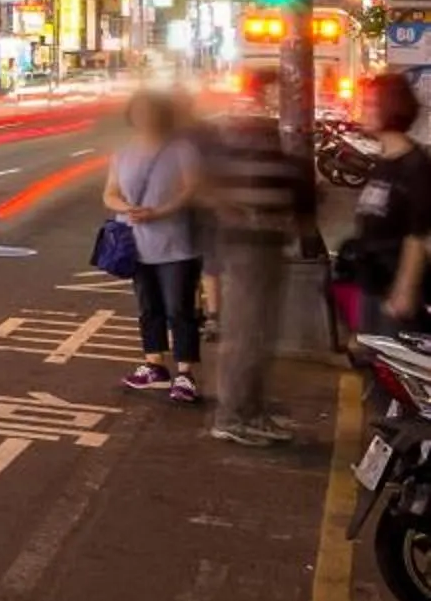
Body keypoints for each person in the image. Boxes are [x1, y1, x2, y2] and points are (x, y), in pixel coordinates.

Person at [198, 74, 320, 445]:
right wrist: (240, 213)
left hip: (266, 246)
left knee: (260, 334)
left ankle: (251, 410)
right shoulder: (239, 138)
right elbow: (205, 184)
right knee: (248, 334)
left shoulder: (267, 139)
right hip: (248, 249)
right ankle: (233, 416)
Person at [105, 88, 206, 403]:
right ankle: (154, 365)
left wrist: (157, 212)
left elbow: (191, 189)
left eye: (150, 111)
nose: (143, 117)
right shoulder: (122, 153)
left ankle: (185, 374)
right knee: (149, 308)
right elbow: (109, 193)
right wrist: (125, 208)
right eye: (138, 111)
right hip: (137, 243)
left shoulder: (182, 150)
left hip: (177, 244)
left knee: (180, 308)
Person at [344, 68, 431, 334]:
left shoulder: (415, 166)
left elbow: (419, 234)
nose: (364, 110)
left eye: (371, 104)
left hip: (396, 294)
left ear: (390, 108)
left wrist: (404, 291)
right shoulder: (384, 161)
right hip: (372, 285)